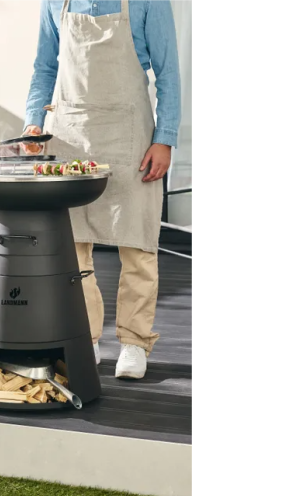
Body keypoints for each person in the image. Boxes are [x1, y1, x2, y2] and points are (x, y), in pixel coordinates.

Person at [22, 0, 181, 379]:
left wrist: (165, 138)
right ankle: (86, 336)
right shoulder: (55, 2)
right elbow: (45, 67)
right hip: (71, 135)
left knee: (138, 244)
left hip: (131, 137)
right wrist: (32, 121)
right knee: (72, 247)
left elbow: (169, 73)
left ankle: (134, 342)